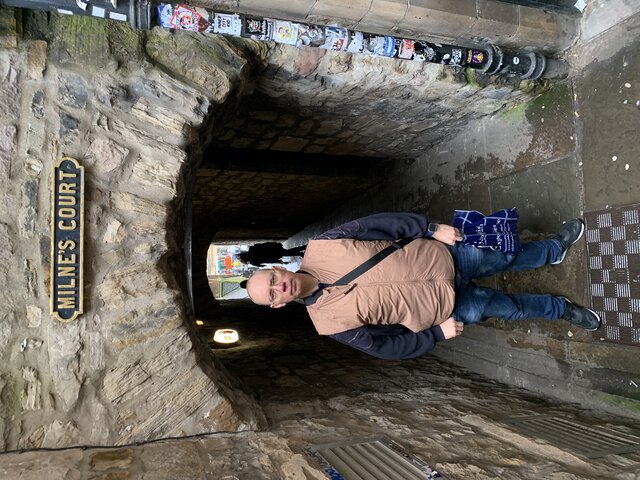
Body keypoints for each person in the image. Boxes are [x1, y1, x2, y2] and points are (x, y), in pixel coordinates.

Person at [245, 213, 601, 360]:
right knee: (512, 309)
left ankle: (553, 249)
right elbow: (385, 348)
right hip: (448, 308)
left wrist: (429, 228)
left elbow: (381, 224)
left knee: (506, 257)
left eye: (273, 280)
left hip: (444, 258)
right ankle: (562, 309)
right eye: (272, 294)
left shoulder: (323, 244)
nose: (280, 287)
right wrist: (435, 335)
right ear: (277, 305)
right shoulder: (329, 324)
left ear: (276, 269)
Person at [238, 242, 306, 267]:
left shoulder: (253, 261)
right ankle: (299, 253)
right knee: (287, 252)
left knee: (287, 252)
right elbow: (263, 245)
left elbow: (266, 261)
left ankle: (303, 248)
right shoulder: (251, 249)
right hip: (273, 248)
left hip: (273, 254)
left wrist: (277, 261)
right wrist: (275, 244)